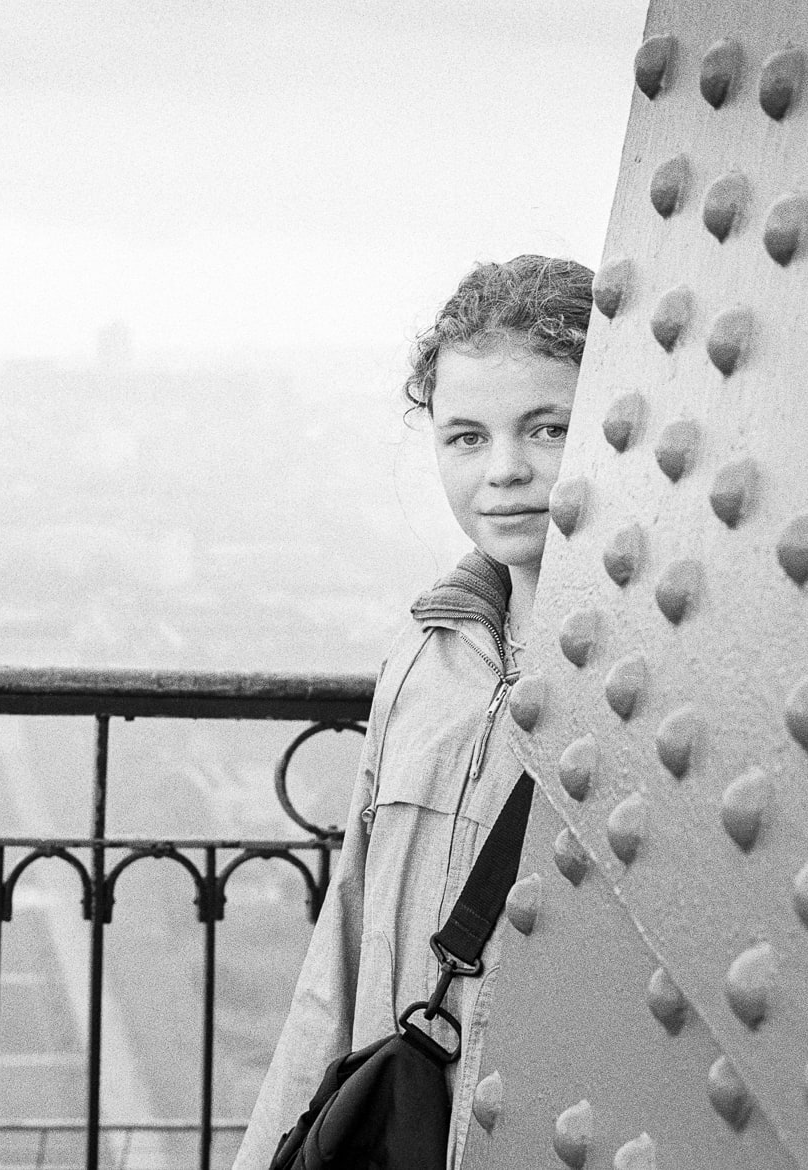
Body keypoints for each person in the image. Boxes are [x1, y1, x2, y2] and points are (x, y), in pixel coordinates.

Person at [234, 254, 594, 1170]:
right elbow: (345, 942)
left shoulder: (656, 683)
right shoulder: (422, 660)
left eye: (548, 429)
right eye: (465, 437)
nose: (506, 471)